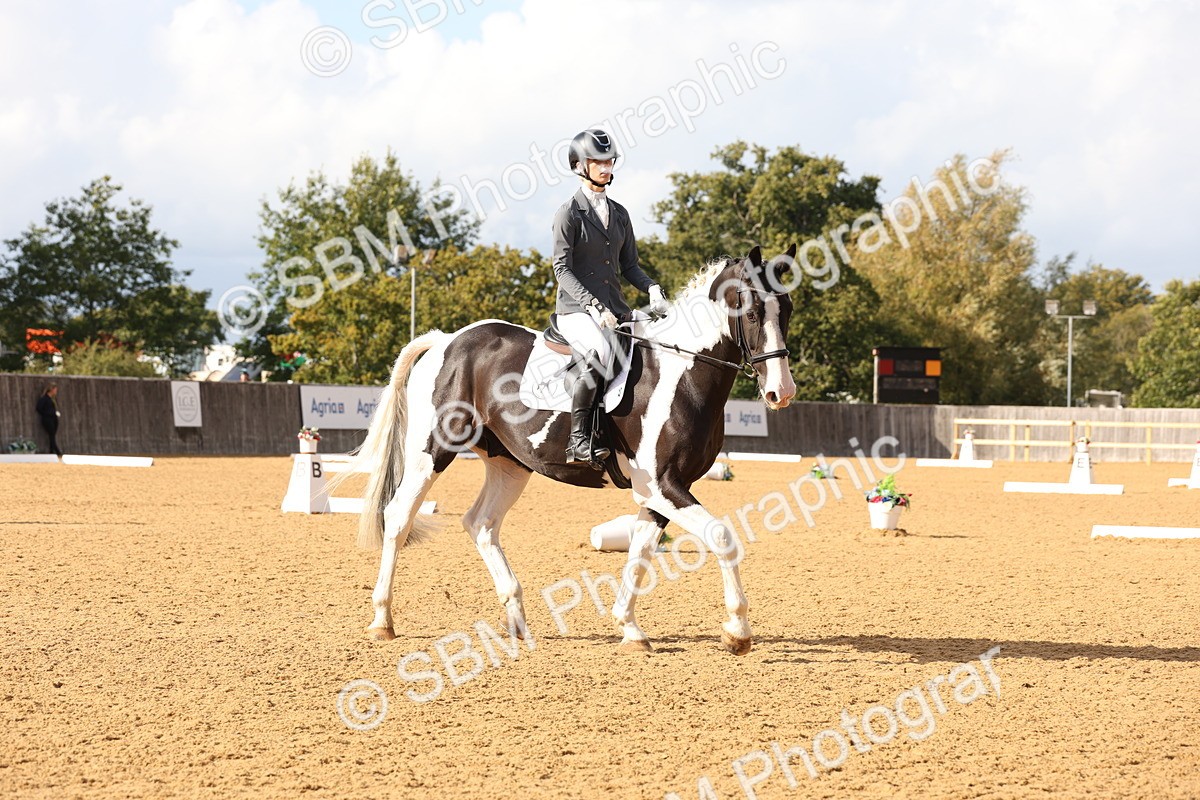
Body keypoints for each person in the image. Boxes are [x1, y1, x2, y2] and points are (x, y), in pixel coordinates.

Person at [552, 128, 670, 468]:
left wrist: (651, 287)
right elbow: (562, 269)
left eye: (608, 161)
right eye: (597, 162)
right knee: (601, 350)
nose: (605, 168)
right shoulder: (568, 213)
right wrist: (592, 305)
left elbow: (629, 265)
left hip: (615, 310)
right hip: (576, 310)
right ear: (579, 165)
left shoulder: (619, 213)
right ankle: (578, 440)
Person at [36, 384, 63, 458]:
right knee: (51, 435)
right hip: (47, 419)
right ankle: (58, 452)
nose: (56, 391)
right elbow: (39, 408)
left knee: (52, 435)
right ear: (51, 390)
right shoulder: (44, 399)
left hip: (53, 418)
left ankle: (51, 451)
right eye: (55, 389)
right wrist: (48, 413)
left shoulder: (52, 399)